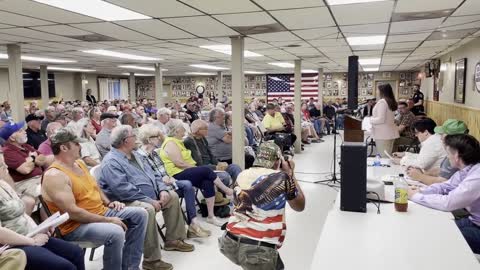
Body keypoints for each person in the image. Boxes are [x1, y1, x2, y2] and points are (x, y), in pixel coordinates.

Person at [41, 129, 148, 270]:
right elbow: (73, 213)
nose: (80, 147)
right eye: (76, 144)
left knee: (140, 214)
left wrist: (109, 203)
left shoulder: (79, 163)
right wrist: (109, 220)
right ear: (64, 147)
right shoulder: (55, 175)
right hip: (75, 226)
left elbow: (95, 187)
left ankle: (130, 267)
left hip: (99, 212)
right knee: (115, 232)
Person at [219, 141, 305, 270]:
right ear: (277, 161)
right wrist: (290, 173)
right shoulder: (282, 178)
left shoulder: (242, 174)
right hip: (257, 249)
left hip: (229, 241)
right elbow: (299, 206)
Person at [136, 123, 211, 238]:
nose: (159, 138)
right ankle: (191, 225)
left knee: (190, 184)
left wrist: (169, 178)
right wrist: (163, 180)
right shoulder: (140, 157)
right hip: (158, 189)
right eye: (156, 136)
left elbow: (163, 171)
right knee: (189, 183)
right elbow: (148, 177)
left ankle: (193, 223)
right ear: (149, 139)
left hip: (168, 183)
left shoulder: (155, 153)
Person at [408, 134, 480, 253]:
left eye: (448, 154)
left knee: (440, 238)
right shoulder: (468, 169)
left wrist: (414, 196)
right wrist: (420, 191)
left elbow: (448, 202)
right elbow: (446, 186)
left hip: (477, 226)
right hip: (473, 220)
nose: (447, 157)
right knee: (437, 227)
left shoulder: (477, 176)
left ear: (456, 155)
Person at [0, 178, 85, 270]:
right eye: (2, 166)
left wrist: (39, 229)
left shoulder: (3, 184)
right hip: (10, 246)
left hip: (28, 235)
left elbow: (22, 214)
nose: (6, 166)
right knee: (64, 267)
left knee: (76, 253)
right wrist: (32, 241)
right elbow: (1, 234)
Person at [159, 122, 233, 226]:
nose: (184, 131)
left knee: (207, 181)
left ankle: (211, 216)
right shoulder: (170, 143)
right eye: (182, 129)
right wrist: (196, 168)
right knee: (206, 171)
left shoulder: (178, 141)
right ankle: (227, 190)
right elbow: (179, 163)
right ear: (176, 131)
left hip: (186, 170)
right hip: (178, 173)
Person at [1, 122, 48, 210]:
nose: (25, 131)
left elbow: (43, 158)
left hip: (38, 179)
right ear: (12, 137)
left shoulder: (26, 146)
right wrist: (33, 157)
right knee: (51, 190)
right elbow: (25, 170)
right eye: (20, 131)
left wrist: (30, 160)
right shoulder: (7, 151)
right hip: (25, 184)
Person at [406, 119, 468, 185]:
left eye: (442, 134)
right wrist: (425, 173)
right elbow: (442, 170)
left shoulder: (457, 154)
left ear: (451, 137)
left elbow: (443, 182)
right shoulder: (455, 149)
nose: (440, 137)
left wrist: (420, 177)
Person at [185, 119, 242, 187]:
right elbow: (198, 164)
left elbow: (210, 154)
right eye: (205, 128)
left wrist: (218, 163)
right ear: (198, 130)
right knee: (224, 176)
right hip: (203, 169)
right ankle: (223, 194)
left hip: (212, 165)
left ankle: (238, 191)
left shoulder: (203, 138)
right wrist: (215, 167)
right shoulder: (189, 141)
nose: (207, 130)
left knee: (235, 167)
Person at [370, 84, 399, 157]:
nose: (376, 91)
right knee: (387, 156)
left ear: (382, 91)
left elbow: (381, 119)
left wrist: (369, 120)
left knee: (384, 157)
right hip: (389, 132)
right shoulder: (390, 101)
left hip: (383, 134)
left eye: (377, 90)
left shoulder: (382, 102)